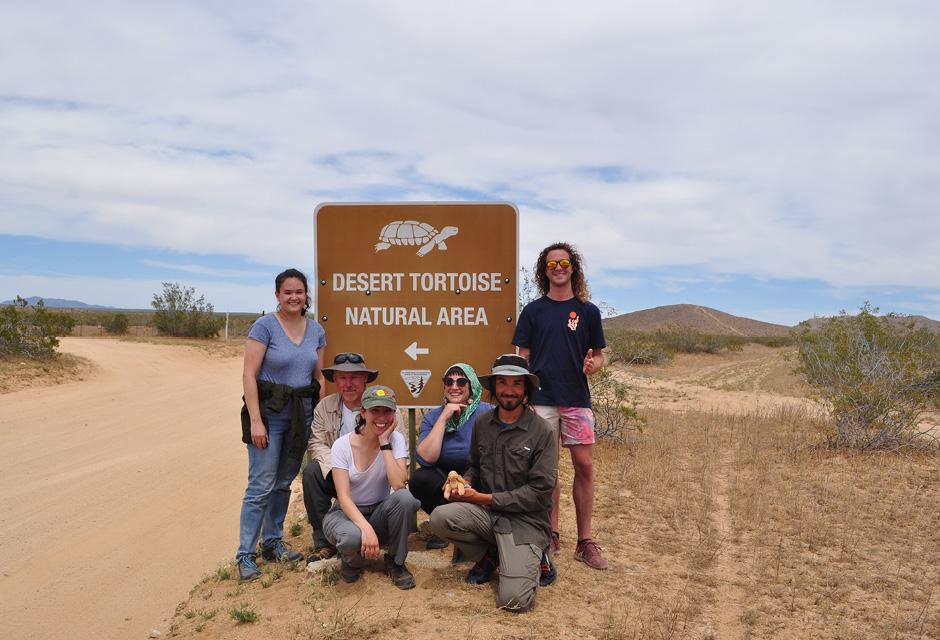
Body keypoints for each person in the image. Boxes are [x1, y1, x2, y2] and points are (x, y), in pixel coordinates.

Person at [430, 354, 557, 612]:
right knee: (440, 518)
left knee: (514, 601)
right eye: (502, 383)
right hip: (489, 516)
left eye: (516, 384)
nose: (508, 391)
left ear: (526, 390)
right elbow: (474, 465)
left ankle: (537, 553)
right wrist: (464, 483)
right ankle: (495, 553)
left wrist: (480, 498)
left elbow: (539, 493)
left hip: (526, 522)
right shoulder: (483, 423)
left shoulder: (543, 431)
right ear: (494, 387)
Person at [513, 242, 609, 570]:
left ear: (573, 267)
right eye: (552, 264)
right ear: (544, 271)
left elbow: (599, 355)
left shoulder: (587, 311)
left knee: (584, 465)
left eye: (564, 262)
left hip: (576, 399)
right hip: (541, 400)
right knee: (547, 469)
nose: (559, 268)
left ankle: (585, 541)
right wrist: (523, 394)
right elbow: (522, 357)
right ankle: (551, 532)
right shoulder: (533, 311)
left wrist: (595, 364)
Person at [237, 268, 326, 582]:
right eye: (287, 292)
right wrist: (257, 422)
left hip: (301, 414)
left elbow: (319, 377)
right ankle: (246, 555)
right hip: (270, 412)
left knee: (283, 482)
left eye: (299, 292)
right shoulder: (264, 327)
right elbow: (249, 375)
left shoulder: (315, 330)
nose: (294, 297)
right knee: (260, 484)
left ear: (305, 296)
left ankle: (272, 541)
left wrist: (318, 416)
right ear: (277, 295)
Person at [302, 352, 405, 562]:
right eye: (342, 378)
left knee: (404, 499)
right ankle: (325, 542)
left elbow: (399, 450)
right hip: (336, 470)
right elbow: (316, 442)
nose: (348, 384)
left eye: (354, 377)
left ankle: (386, 544)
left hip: (377, 476)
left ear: (365, 378)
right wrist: (339, 466)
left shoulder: (389, 412)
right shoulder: (325, 406)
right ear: (335, 381)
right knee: (312, 473)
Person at [322, 385, 420, 589]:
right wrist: (365, 528)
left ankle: (395, 562)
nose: (381, 417)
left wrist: (385, 443)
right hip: (345, 513)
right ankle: (352, 562)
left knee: (405, 499)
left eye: (387, 411)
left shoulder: (396, 439)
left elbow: (399, 484)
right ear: (363, 413)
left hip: (379, 510)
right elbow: (344, 497)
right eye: (375, 410)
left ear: (394, 414)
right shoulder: (342, 445)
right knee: (351, 537)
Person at [412, 363, 495, 549]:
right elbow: (425, 458)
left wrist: (468, 480)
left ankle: (475, 525)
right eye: (449, 381)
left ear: (472, 385)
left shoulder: (488, 412)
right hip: (446, 483)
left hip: (479, 477)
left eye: (461, 381)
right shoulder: (434, 417)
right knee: (419, 479)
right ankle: (446, 526)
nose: (454, 386)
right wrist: (444, 417)